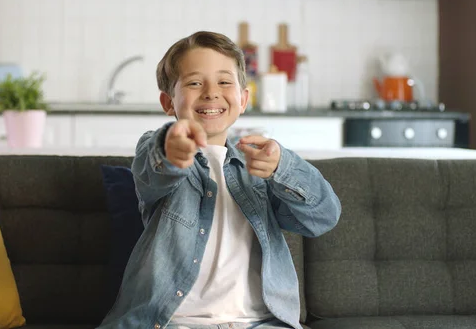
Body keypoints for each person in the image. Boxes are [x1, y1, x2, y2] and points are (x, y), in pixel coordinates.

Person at [97, 31, 341, 329]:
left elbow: (323, 217)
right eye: (194, 82)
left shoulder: (263, 167)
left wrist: (283, 167)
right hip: (172, 322)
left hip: (261, 322)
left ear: (243, 99)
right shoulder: (156, 149)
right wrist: (172, 149)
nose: (211, 92)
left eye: (224, 82)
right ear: (168, 102)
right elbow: (155, 170)